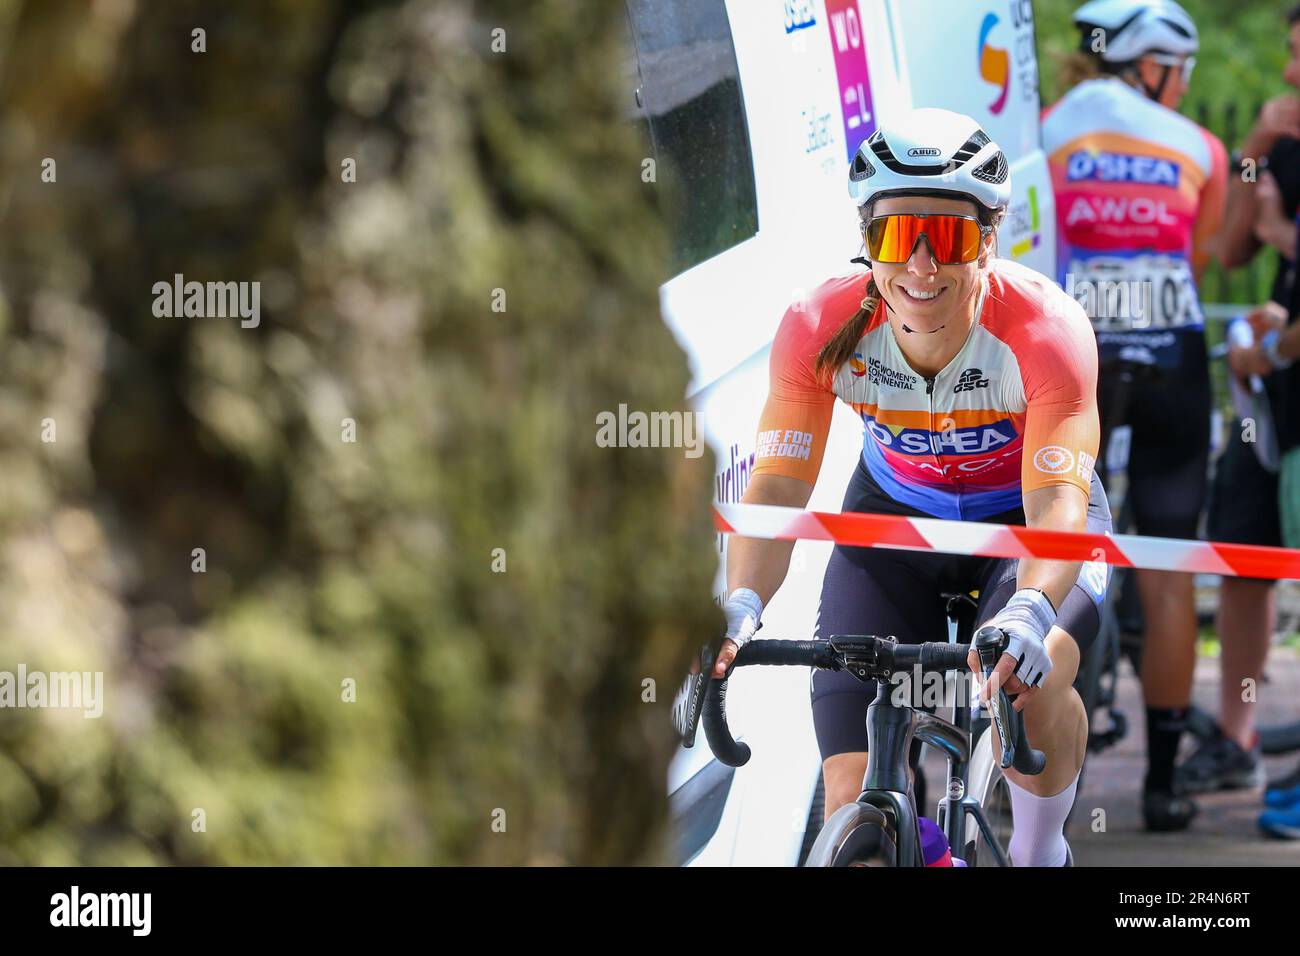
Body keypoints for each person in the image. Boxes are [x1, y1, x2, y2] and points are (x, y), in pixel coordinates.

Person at [712, 107, 1110, 867]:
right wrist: (741, 604)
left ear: (988, 239)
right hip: (896, 523)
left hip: (1027, 528)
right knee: (850, 793)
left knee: (1035, 678)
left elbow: (1057, 502)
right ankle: (912, 845)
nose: (922, 265)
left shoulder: (1045, 329)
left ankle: (1038, 854)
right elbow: (778, 484)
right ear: (866, 240)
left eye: (950, 236)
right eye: (896, 236)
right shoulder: (818, 323)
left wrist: (1030, 605)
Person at [1042, 0, 1227, 831]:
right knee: (1168, 564)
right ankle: (1161, 786)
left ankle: (1048, 776)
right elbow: (1202, 254)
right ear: (1151, 64)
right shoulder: (1201, 148)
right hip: (1172, 358)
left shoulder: (1046, 130)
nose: (1183, 91)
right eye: (1179, 74)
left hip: (1071, 353)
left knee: (1049, 546)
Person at [1200, 4, 1300, 836]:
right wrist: (1256, 151)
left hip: (1280, 366)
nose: (1290, 79)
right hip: (1274, 401)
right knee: (1243, 548)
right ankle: (1238, 728)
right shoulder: (1279, 138)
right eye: (1289, 60)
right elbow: (1232, 249)